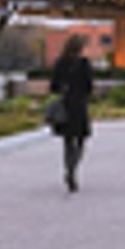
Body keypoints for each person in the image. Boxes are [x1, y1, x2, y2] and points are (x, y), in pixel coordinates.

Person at [49, 33, 93, 193]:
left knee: (67, 141)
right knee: (81, 140)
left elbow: (53, 86)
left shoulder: (60, 63)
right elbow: (89, 86)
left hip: (66, 104)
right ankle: (73, 168)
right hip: (79, 105)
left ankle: (69, 168)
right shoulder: (84, 64)